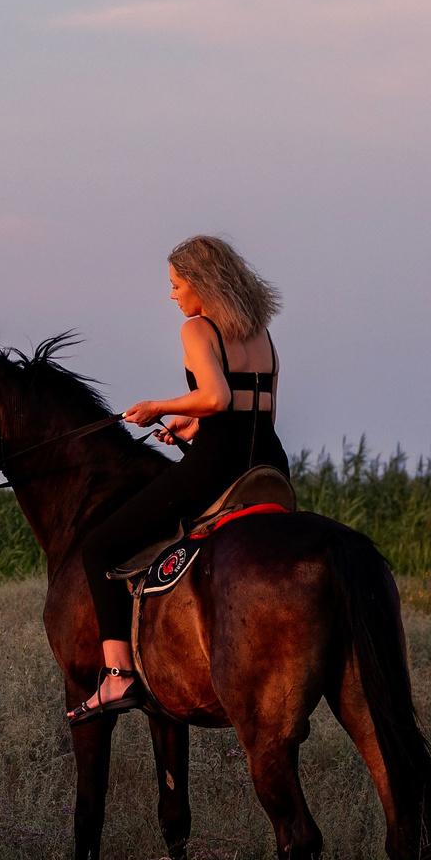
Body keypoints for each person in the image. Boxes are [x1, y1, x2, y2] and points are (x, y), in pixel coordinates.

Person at [66, 235, 290, 722]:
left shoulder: (197, 330)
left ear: (201, 284)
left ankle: (118, 676)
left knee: (98, 548)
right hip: (269, 464)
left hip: (217, 468)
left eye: (175, 284)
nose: (172, 295)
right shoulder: (262, 333)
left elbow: (215, 398)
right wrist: (194, 426)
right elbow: (260, 413)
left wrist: (160, 407)